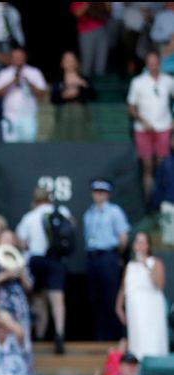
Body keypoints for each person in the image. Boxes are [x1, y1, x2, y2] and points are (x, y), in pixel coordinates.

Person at [16, 186, 71, 353]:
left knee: (39, 300)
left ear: (34, 201)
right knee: (57, 298)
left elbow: (21, 241)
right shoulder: (61, 212)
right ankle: (59, 333)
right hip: (56, 260)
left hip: (37, 260)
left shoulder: (29, 218)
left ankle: (39, 337)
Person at [83, 179, 130, 341]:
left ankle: (115, 337)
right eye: (96, 192)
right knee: (96, 299)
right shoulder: (88, 214)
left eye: (102, 192)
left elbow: (123, 237)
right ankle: (100, 337)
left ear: (107, 194)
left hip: (108, 256)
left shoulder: (114, 212)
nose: (99, 195)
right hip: (92, 257)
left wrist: (116, 254)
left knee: (111, 297)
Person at [127, 51, 174, 202]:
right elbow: (131, 107)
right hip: (143, 129)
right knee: (147, 166)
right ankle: (149, 204)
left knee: (162, 166)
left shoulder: (168, 81)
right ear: (146, 64)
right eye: (150, 63)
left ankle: (163, 201)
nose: (153, 66)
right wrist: (142, 120)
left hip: (164, 127)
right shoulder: (137, 82)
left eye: (155, 63)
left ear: (159, 64)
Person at [116, 232, 169, 359]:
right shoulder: (129, 266)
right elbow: (123, 288)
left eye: (143, 242)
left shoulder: (155, 262)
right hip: (134, 308)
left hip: (151, 307)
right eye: (137, 241)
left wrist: (146, 265)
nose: (139, 245)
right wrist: (118, 307)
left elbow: (160, 284)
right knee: (137, 338)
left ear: (148, 245)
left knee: (153, 338)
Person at [0, 47, 47, 143]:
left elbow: (42, 93)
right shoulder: (4, 73)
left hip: (28, 117)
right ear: (11, 58)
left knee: (28, 148)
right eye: (15, 57)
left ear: (25, 57)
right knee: (11, 149)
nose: (18, 59)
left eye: (20, 57)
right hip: (9, 117)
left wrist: (28, 82)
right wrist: (12, 82)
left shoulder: (34, 72)